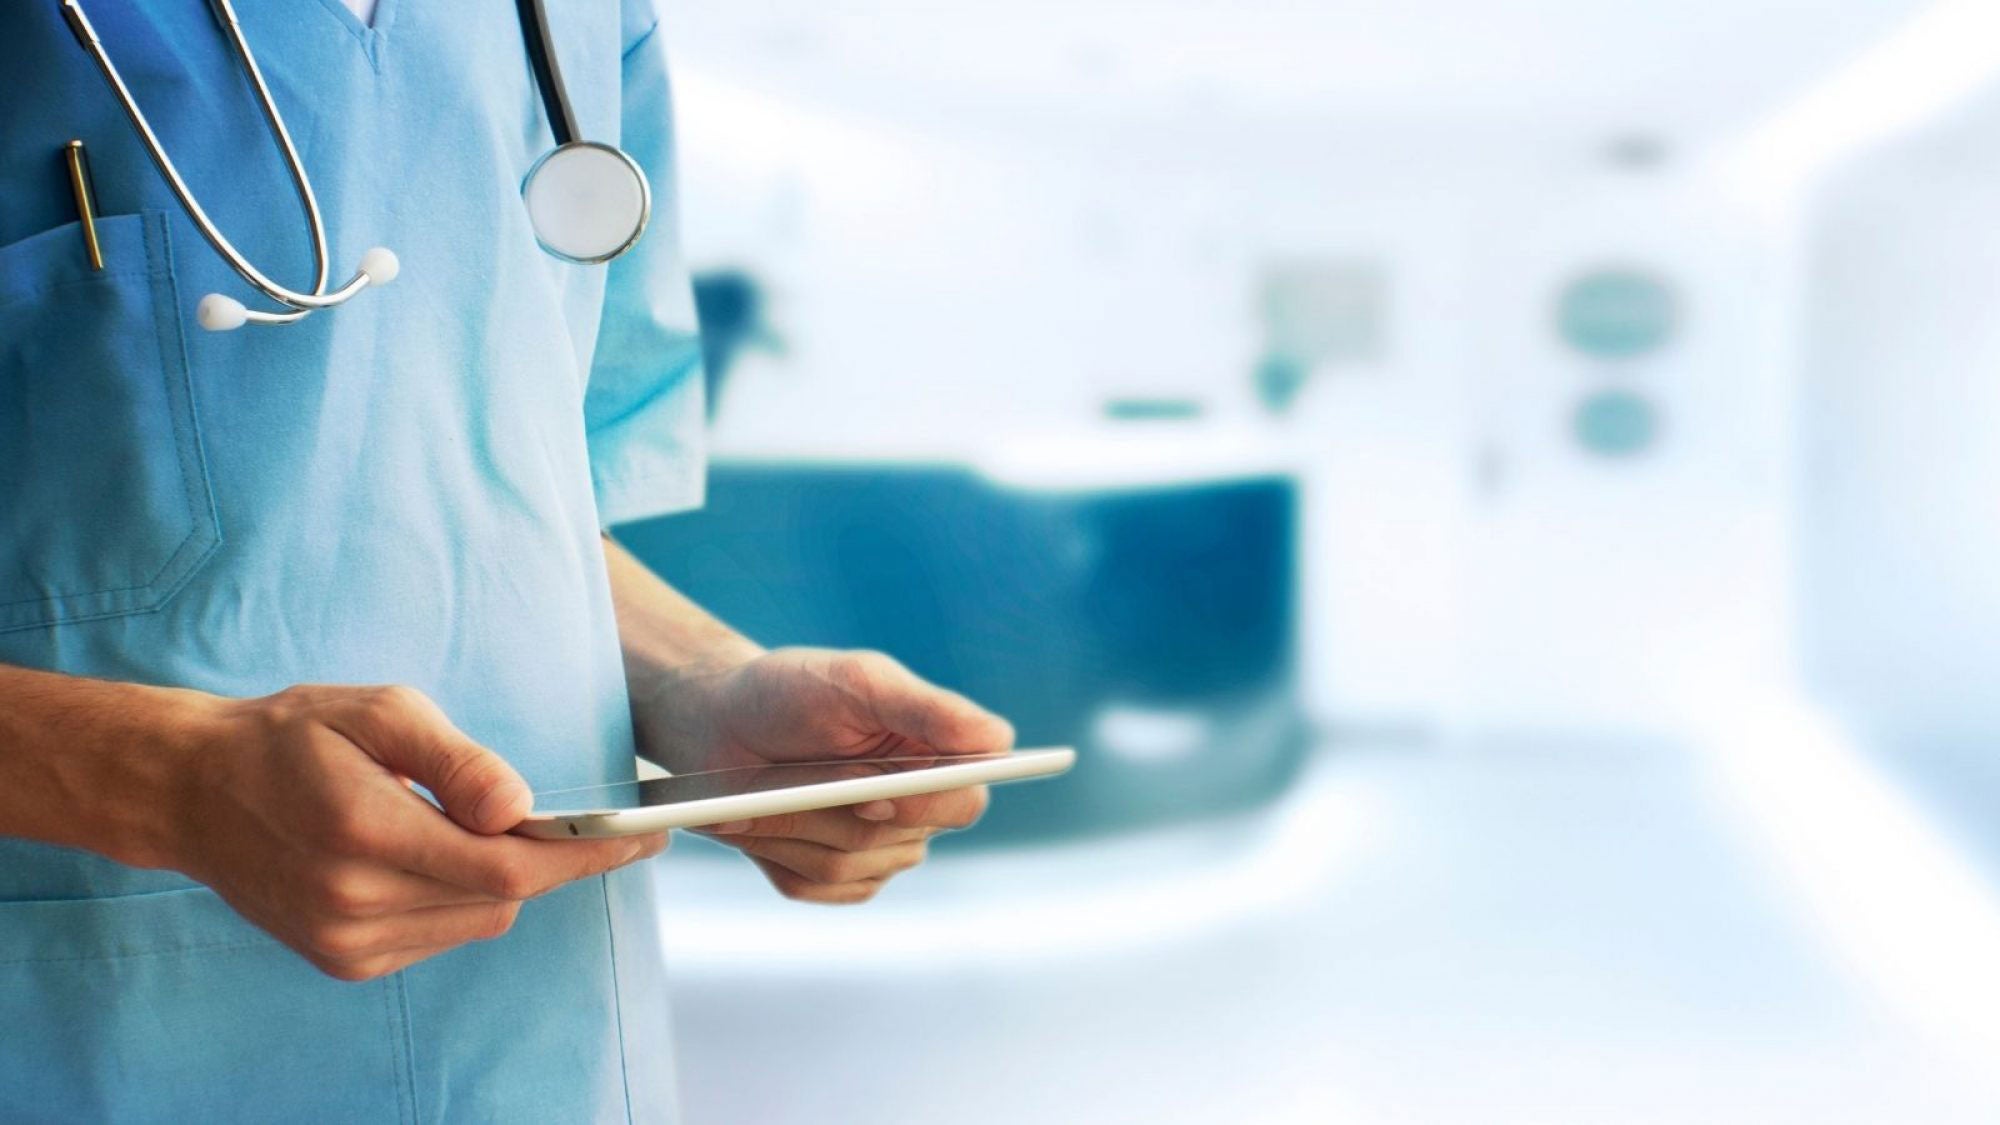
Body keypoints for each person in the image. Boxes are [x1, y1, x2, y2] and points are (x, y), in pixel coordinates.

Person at [0, 1, 1011, 1119]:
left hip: (541, 1038)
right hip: (100, 1032)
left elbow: (510, 492)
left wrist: (697, 692)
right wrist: (170, 784)